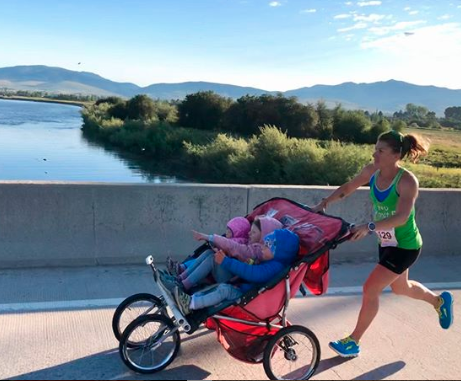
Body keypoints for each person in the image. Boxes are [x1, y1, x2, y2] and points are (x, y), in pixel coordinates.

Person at [311, 130, 454, 358]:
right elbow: (348, 187)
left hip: (406, 246)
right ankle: (439, 301)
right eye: (375, 148)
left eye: (380, 150)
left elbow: (402, 217)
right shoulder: (372, 171)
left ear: (396, 155)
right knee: (401, 288)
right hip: (386, 242)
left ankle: (353, 342)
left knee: (370, 289)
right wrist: (324, 203)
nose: (374, 153)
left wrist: (369, 227)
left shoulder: (407, 181)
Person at [172, 228, 300, 315]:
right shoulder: (271, 262)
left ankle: (190, 304)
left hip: (247, 296)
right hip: (243, 287)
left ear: (280, 253)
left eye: (267, 246)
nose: (263, 248)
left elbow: (254, 274)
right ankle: (183, 282)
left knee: (224, 290)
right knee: (212, 257)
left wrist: (226, 261)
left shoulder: (276, 266)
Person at [161, 216, 283, 292]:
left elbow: (236, 248)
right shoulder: (253, 245)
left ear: (264, 236)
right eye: (250, 231)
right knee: (209, 253)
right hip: (231, 275)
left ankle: (183, 284)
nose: (249, 234)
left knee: (212, 259)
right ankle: (180, 278)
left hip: (232, 280)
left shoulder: (256, 251)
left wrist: (208, 237)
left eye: (254, 232)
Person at [166, 216, 251, 276]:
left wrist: (209, 238)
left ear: (238, 233)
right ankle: (182, 270)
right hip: (226, 269)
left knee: (211, 257)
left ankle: (183, 275)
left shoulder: (238, 243)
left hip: (228, 275)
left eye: (230, 231)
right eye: (227, 230)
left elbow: (228, 246)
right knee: (208, 253)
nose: (227, 232)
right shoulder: (235, 241)